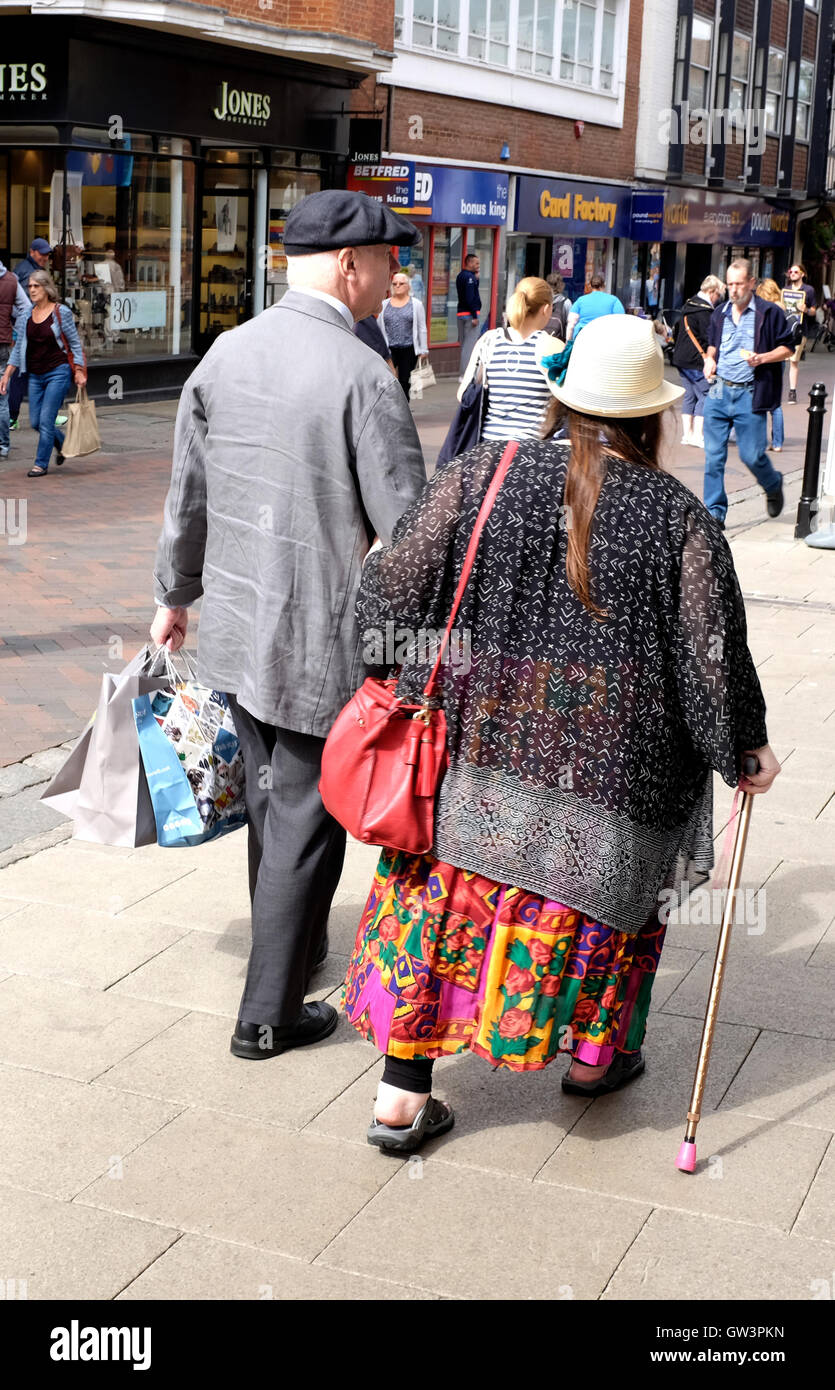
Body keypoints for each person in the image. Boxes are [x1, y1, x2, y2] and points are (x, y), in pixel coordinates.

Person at [343, 314, 780, 1153]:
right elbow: (708, 653)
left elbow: (387, 591)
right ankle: (590, 1062)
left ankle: (399, 1099)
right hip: (613, 774)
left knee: (438, 914)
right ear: (649, 415)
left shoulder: (480, 472)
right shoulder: (677, 516)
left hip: (470, 761)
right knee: (608, 912)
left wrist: (399, 674)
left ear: (564, 399)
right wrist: (742, 746)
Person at [150, 190, 427, 1061]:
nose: (394, 277)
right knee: (307, 816)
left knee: (276, 802)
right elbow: (410, 530)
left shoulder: (225, 354)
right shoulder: (361, 373)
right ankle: (266, 1013)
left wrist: (174, 593)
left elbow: (184, 493)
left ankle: (298, 948)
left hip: (233, 623)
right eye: (387, 260)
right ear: (350, 266)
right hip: (317, 635)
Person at [702, 258, 793, 528]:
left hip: (750, 393)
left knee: (751, 455)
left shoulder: (769, 313)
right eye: (730, 284)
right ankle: (715, 513)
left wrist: (763, 358)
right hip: (718, 389)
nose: (734, 289)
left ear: (752, 283)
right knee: (713, 457)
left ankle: (773, 483)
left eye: (739, 284)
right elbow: (712, 346)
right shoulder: (720, 313)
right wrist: (709, 359)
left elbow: (787, 348)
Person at [0, 269, 86, 477]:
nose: (31, 290)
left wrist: (80, 370)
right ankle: (63, 443)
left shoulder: (60, 312)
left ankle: (40, 464)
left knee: (46, 420)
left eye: (36, 286)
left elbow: (74, 343)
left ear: (47, 288)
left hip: (58, 372)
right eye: (29, 286)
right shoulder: (26, 315)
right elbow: (19, 346)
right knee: (36, 422)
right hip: (36, 375)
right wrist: (7, 374)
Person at [458, 276, 555, 442]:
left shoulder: (489, 340)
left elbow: (462, 394)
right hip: (532, 452)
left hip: (488, 448)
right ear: (546, 309)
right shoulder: (550, 345)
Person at [671, 275, 725, 448]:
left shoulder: (688, 306)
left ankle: (687, 435)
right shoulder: (705, 312)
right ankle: (698, 435)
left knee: (690, 395)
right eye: (718, 295)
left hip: (680, 357)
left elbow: (677, 330)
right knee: (707, 394)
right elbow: (709, 338)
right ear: (711, 292)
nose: (718, 299)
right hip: (696, 359)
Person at [8, 238, 51, 433]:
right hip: (30, 329)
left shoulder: (25, 269)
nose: (45, 257)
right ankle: (13, 415)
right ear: (32, 252)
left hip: (27, 328)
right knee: (23, 372)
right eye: (42, 253)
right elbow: (23, 305)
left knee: (26, 371)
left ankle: (14, 415)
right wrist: (30, 321)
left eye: (47, 254)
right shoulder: (27, 272)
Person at [377, 269, 429, 399]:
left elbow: (422, 327)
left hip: (409, 348)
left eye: (401, 283)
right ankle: (389, 405)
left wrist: (423, 349)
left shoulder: (416, 304)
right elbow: (378, 327)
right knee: (386, 379)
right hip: (389, 349)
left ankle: (404, 406)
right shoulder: (384, 304)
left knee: (405, 380)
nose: (397, 286)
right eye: (395, 284)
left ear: (408, 286)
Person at [0, 260, 29, 460]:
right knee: (1, 397)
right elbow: (26, 308)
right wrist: (15, 334)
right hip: (2, 342)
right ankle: (3, 446)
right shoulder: (10, 279)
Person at [755, 279, 789, 452]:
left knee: (766, 400)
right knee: (775, 402)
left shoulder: (771, 310)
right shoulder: (781, 308)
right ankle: (777, 442)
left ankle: (767, 441)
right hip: (778, 359)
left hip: (767, 356)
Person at [783, 262, 816, 403]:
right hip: (785, 329)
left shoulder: (808, 290)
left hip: (799, 330)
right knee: (781, 360)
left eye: (796, 272)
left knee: (793, 361)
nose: (792, 274)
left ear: (802, 274)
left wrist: (806, 310)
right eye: (791, 271)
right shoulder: (785, 289)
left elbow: (814, 310)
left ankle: (792, 391)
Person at [566, 272, 624, 340]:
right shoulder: (614, 300)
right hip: (605, 337)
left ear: (590, 285)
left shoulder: (580, 300)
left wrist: (568, 342)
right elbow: (620, 321)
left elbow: (571, 324)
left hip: (582, 337)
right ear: (604, 285)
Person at [456, 252, 481, 376]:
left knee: (464, 345)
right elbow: (471, 297)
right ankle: (465, 374)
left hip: (461, 314)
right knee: (469, 347)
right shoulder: (469, 278)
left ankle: (463, 373)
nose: (478, 266)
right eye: (476, 263)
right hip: (470, 315)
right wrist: (475, 316)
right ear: (469, 263)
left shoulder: (461, 275)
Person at [544, 272, 571, 337]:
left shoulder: (542, 301)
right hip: (559, 341)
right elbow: (570, 324)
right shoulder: (566, 302)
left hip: (541, 339)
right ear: (561, 285)